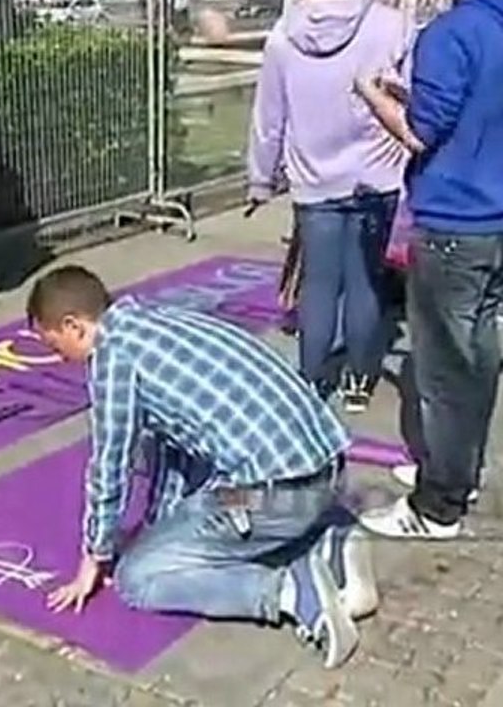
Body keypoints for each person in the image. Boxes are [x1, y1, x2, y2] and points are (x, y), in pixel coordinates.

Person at [27, 265, 377, 669]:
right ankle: (326, 540)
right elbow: (176, 450)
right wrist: (160, 527)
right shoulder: (162, 319)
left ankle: (293, 592)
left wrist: (96, 554)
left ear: (74, 326)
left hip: (273, 492)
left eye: (56, 347)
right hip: (327, 471)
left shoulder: (112, 357)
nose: (61, 359)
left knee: (139, 578)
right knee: (191, 523)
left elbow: (110, 464)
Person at [354, 0, 503, 539]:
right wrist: (411, 95)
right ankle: (459, 471)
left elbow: (419, 132)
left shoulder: (452, 32)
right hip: (495, 221)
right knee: (479, 360)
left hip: (454, 223)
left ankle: (437, 505)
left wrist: (371, 93)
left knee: (442, 369)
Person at [247, 0, 413, 413]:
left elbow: (269, 116)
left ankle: (311, 378)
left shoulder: (285, 34)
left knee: (319, 284)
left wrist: (261, 178)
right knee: (364, 280)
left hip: (313, 176)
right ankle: (359, 379)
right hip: (376, 174)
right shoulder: (392, 24)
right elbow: (412, 100)